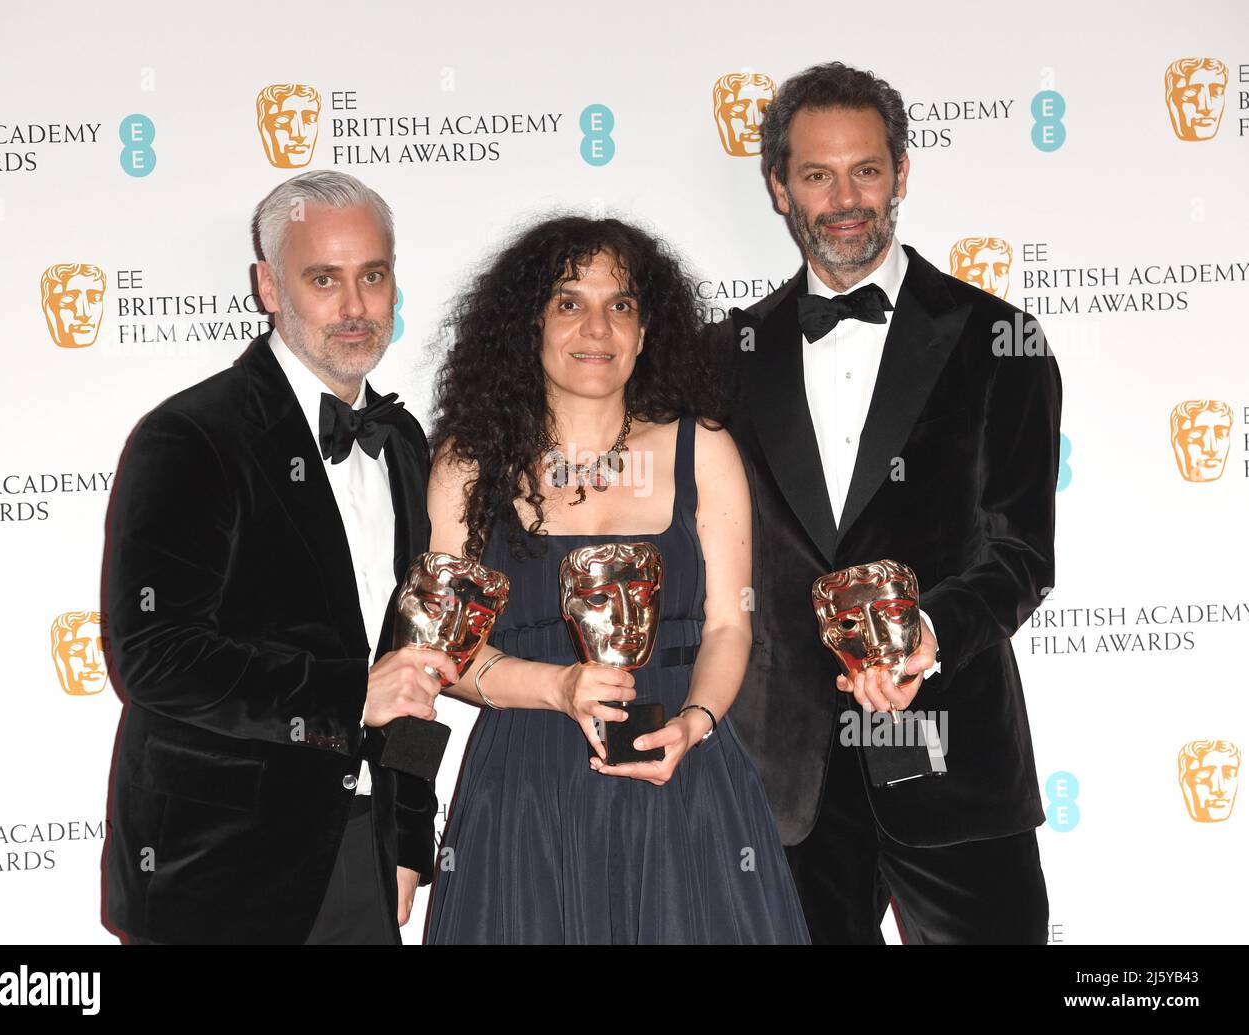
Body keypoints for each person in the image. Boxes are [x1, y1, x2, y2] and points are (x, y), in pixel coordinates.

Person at [713, 62, 1061, 944]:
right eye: (817, 174)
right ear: (777, 189)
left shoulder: (1000, 341)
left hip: (954, 756)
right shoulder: (722, 360)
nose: (845, 198)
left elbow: (1022, 553)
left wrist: (922, 640)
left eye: (866, 170)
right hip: (787, 781)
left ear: (901, 173)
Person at [422, 216, 809, 944]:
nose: (596, 327)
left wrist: (694, 725)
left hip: (686, 779)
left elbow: (731, 625)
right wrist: (556, 687)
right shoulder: (467, 466)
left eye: (621, 305)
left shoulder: (703, 451)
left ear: (644, 330)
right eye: (569, 302)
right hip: (526, 795)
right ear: (529, 323)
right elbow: (447, 656)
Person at [103, 169, 453, 944]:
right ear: (268, 285)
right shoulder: (192, 437)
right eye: (323, 279)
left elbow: (413, 659)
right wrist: (346, 695)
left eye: (373, 275)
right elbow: (155, 654)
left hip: (364, 852)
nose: (356, 307)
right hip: (219, 872)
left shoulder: (401, 444)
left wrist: (406, 834)